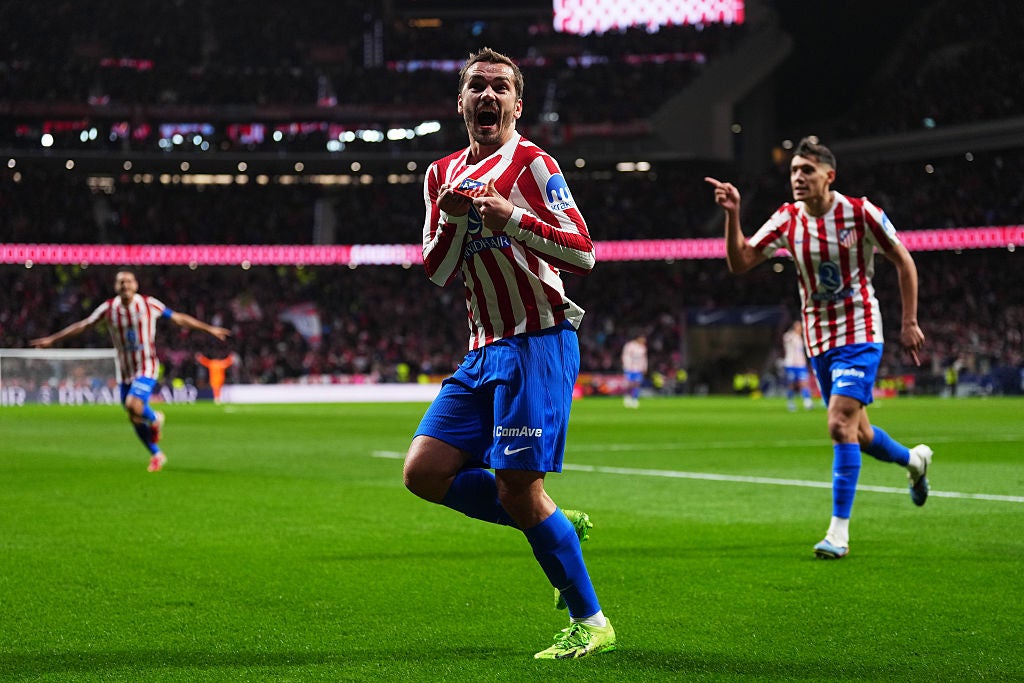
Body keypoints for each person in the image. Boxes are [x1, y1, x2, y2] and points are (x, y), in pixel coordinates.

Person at [401, 47, 615, 659]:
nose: (488, 96)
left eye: (500, 87)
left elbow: (584, 251)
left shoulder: (534, 164)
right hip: (482, 349)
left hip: (538, 341)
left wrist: (514, 218)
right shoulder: (439, 175)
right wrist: (459, 222)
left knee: (518, 486)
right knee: (424, 473)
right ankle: (560, 525)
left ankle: (592, 621)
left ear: (517, 104)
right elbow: (438, 271)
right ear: (462, 102)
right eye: (477, 86)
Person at [705, 136, 933, 560]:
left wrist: (909, 321)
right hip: (818, 339)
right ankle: (915, 462)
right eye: (793, 171)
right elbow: (740, 262)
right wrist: (733, 215)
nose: (797, 178)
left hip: (861, 331)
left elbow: (904, 261)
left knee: (837, 425)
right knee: (859, 433)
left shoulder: (860, 213)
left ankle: (838, 533)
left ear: (830, 176)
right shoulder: (788, 219)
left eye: (806, 171)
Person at [30, 269, 231, 472]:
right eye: (121, 282)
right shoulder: (108, 309)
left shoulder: (148, 303)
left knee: (133, 405)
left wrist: (209, 329)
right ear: (116, 287)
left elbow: (178, 318)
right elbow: (84, 325)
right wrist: (53, 340)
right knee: (133, 416)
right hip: (125, 371)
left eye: (128, 282)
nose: (125, 285)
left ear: (136, 285)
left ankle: (155, 418)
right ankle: (157, 454)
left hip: (147, 366)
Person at [782, 320, 814, 411]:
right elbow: (785, 339)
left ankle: (807, 401)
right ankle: (790, 402)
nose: (800, 328)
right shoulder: (790, 336)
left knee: (804, 383)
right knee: (791, 384)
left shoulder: (801, 338)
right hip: (791, 364)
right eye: (798, 326)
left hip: (801, 364)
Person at [621, 335, 647, 408]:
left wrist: (645, 367)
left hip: (638, 369)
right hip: (630, 368)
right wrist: (626, 366)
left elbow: (644, 358)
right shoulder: (629, 345)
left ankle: (635, 399)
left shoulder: (643, 347)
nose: (644, 340)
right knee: (630, 384)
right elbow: (625, 356)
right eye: (643, 338)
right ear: (638, 338)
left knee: (637, 384)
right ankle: (627, 397)